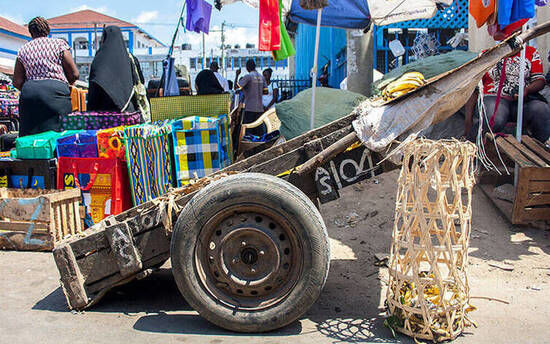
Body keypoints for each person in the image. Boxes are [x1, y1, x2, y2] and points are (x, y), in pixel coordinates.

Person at [464, 43, 550, 143]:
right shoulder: (486, 55)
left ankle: (539, 149)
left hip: (520, 101)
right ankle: (471, 145)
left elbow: (539, 80)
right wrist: (468, 122)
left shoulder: (530, 52)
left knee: (540, 109)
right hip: (492, 98)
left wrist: (526, 90)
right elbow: (474, 89)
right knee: (496, 117)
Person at [13, 17, 79, 136]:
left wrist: (32, 89)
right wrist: (65, 85)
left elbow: (17, 81)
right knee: (61, 133)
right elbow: (74, 74)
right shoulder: (59, 44)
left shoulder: (23, 49)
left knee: (30, 135)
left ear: (31, 32)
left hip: (30, 93)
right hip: (56, 91)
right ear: (48, 30)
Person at [88, 26, 147, 116]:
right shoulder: (130, 59)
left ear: (104, 39)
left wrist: (90, 112)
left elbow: (93, 89)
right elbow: (140, 81)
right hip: (128, 114)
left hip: (104, 116)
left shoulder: (98, 60)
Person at [235, 59, 267, 126]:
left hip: (250, 108)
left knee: (248, 130)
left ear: (247, 67)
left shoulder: (248, 76)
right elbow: (265, 92)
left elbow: (236, 87)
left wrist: (237, 75)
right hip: (260, 109)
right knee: (258, 131)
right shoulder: (262, 77)